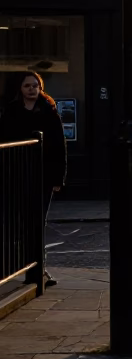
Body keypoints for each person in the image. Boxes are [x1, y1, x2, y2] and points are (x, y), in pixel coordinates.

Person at [0, 70, 67, 288]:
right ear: (20, 88)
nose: (32, 89)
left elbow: (59, 146)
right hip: (16, 175)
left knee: (37, 223)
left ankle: (39, 270)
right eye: (27, 86)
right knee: (15, 224)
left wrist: (58, 178)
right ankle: (15, 266)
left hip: (43, 176)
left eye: (35, 86)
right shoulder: (11, 111)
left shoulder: (49, 111)